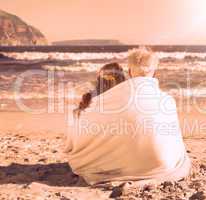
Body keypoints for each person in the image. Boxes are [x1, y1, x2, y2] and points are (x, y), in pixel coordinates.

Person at [64, 47, 190, 185]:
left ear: (129, 72)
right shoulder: (168, 101)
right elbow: (174, 140)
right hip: (160, 165)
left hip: (112, 167)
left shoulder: (106, 100)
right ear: (155, 73)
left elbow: (76, 137)